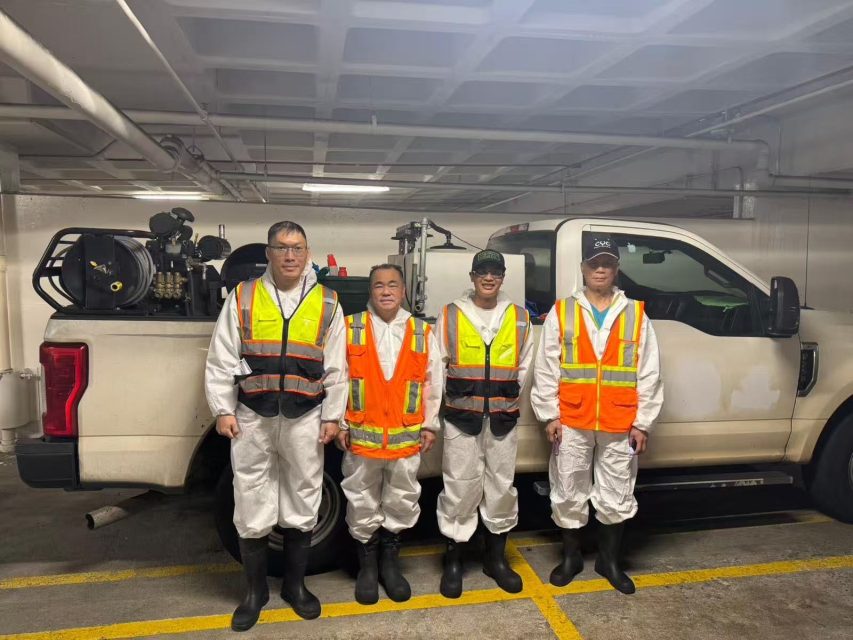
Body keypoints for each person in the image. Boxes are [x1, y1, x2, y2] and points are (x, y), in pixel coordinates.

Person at [204, 221, 347, 631]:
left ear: (307, 253)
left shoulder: (328, 303)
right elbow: (222, 358)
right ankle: (254, 591)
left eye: (297, 248)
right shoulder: (243, 297)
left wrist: (333, 415)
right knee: (249, 495)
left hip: (306, 416)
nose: (289, 256)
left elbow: (338, 367)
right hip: (252, 413)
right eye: (281, 248)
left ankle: (295, 587)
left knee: (304, 496)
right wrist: (223, 410)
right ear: (268, 253)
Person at [531, 233, 663, 595]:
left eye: (606, 263)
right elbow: (546, 367)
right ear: (584, 269)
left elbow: (649, 371)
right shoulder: (563, 310)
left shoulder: (635, 313)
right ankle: (572, 559)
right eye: (594, 264)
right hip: (571, 419)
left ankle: (609, 561)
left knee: (617, 491)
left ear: (616, 268)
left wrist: (643, 422)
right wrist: (549, 415)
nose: (600, 269)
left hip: (620, 422)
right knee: (568, 487)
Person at [336, 264, 442, 605]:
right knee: (361, 498)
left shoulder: (422, 332)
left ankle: (389, 565)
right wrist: (338, 422)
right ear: (370, 290)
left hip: (405, 436)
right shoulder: (350, 326)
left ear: (403, 291)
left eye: (392, 285)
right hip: (361, 437)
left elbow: (432, 382)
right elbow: (338, 377)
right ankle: (367, 567)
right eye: (379, 285)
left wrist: (429, 423)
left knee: (401, 498)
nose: (385, 291)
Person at [435, 249, 533, 598]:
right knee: (459, 487)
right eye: (482, 272)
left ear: (503, 277)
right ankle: (454, 562)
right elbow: (436, 371)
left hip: (503, 420)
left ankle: (496, 560)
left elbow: (524, 370)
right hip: (462, 419)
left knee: (502, 487)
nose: (488, 278)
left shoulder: (520, 319)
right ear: (473, 276)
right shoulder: (449, 315)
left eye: (495, 272)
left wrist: (503, 402)